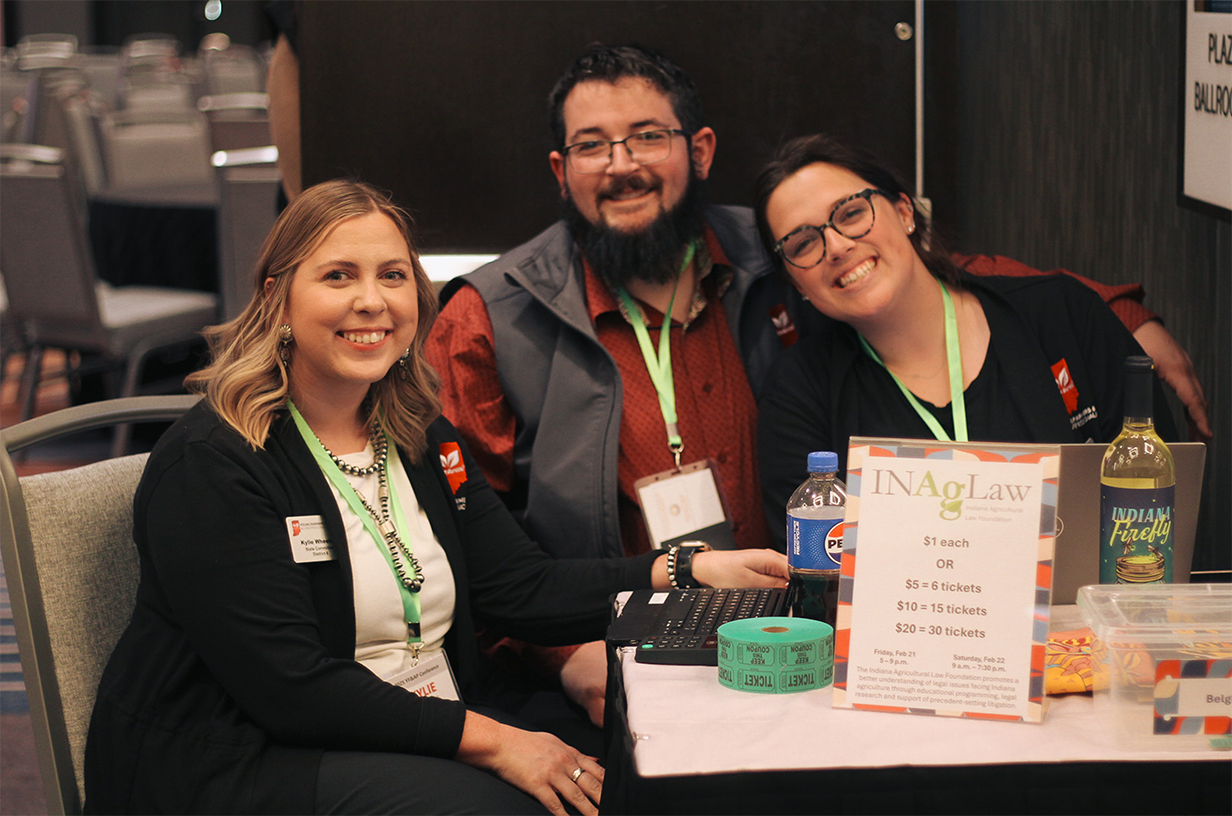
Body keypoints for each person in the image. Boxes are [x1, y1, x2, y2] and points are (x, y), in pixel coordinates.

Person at [423, 43, 1205, 726]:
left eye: (647, 137)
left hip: (787, 634)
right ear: (562, 173)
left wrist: (1123, 316)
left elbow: (925, 276)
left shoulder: (766, 252)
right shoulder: (491, 317)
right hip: (613, 643)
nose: (622, 164)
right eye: (592, 145)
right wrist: (562, 655)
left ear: (698, 150)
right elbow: (472, 539)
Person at [81, 179, 787, 816]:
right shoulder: (217, 460)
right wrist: (500, 743)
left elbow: (522, 587)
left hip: (409, 718)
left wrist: (686, 570)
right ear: (277, 299)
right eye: (337, 276)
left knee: (643, 759)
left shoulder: (420, 436)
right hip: (239, 758)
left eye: (392, 275)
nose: (371, 301)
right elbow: (291, 689)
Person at [754, 133, 1179, 543]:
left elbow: (1162, 503)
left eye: (850, 214)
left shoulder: (1063, 317)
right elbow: (812, 568)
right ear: (797, 283)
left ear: (905, 212)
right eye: (803, 242)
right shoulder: (797, 394)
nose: (836, 246)